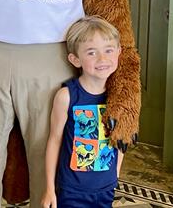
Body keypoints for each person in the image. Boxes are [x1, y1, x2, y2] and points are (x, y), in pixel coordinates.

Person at [41, 15, 124, 208]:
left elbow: (122, 139)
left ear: (119, 52)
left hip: (105, 189)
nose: (102, 59)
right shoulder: (66, 96)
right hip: (71, 190)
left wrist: (115, 175)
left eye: (109, 50)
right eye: (91, 53)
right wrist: (49, 188)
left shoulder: (119, 98)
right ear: (75, 59)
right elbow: (54, 140)